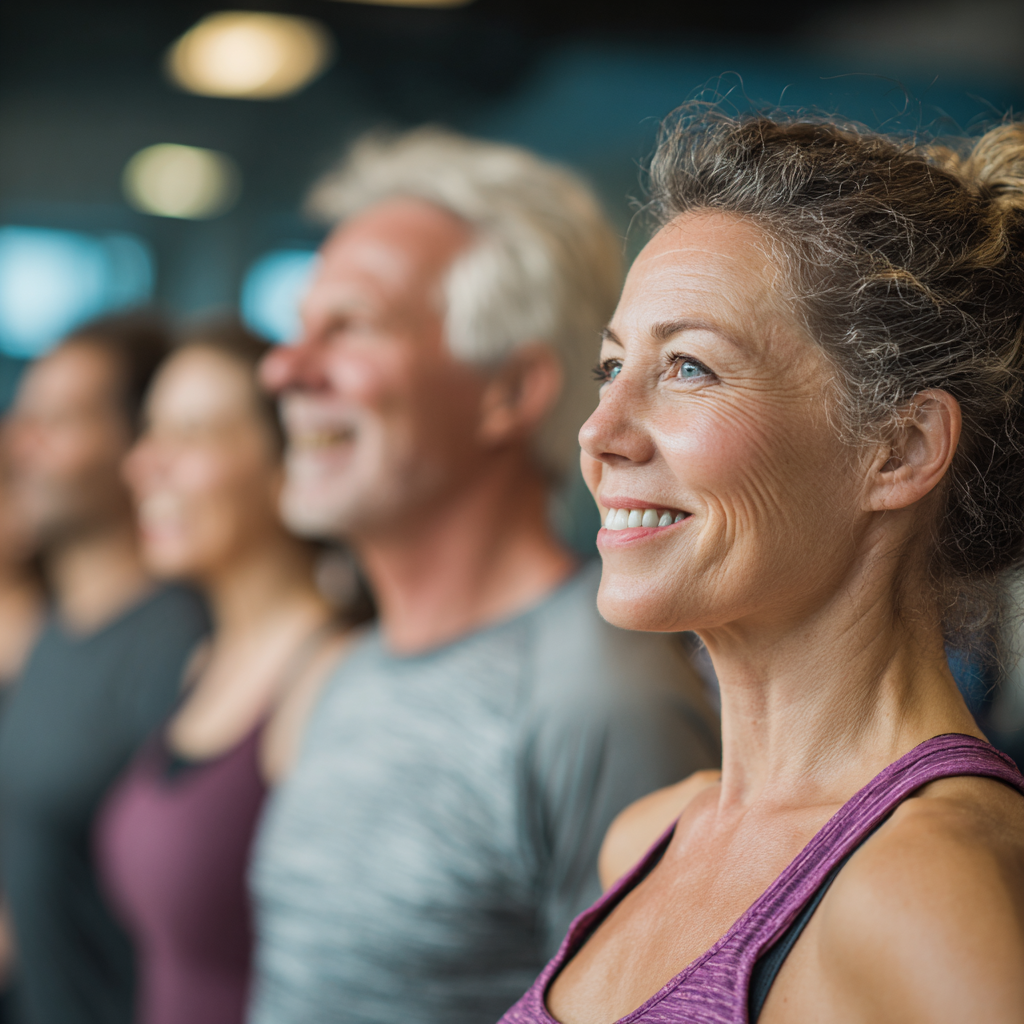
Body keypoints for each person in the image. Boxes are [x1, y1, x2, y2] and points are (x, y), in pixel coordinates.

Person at [500, 109, 1024, 1024]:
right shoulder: (651, 839)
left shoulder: (928, 886)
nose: (599, 432)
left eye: (690, 368)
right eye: (611, 365)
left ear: (898, 449)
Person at [249, 127, 721, 1024]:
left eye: (349, 325)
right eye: (300, 326)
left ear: (509, 391)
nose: (284, 367)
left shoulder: (598, 692)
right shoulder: (350, 669)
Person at [95, 323, 350, 1024]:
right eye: (152, 432)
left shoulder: (327, 676)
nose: (146, 464)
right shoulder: (204, 659)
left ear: (285, 466)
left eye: (194, 434)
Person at [0, 314, 210, 1024]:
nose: (18, 444)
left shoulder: (183, 645)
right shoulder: (55, 630)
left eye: (54, 421)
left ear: (134, 445)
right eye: (21, 417)